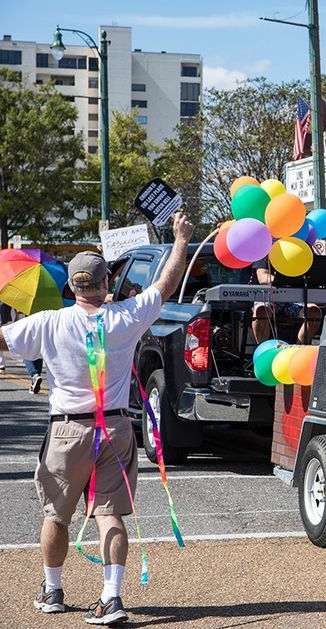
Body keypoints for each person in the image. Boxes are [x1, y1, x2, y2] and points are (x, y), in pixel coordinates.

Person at [0, 213, 193, 623]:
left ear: (71, 287)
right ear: (107, 284)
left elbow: (3, 340)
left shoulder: (49, 322)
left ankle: (52, 590)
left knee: (56, 515)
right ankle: (112, 597)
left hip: (67, 429)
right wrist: (180, 240)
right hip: (117, 426)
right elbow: (167, 283)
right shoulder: (126, 316)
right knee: (111, 515)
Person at [250, 258, 322, 345]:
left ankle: (300, 351)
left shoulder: (303, 249)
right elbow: (262, 278)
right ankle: (263, 350)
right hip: (270, 296)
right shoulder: (266, 252)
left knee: (314, 312)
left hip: (295, 298)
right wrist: (285, 280)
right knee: (261, 310)